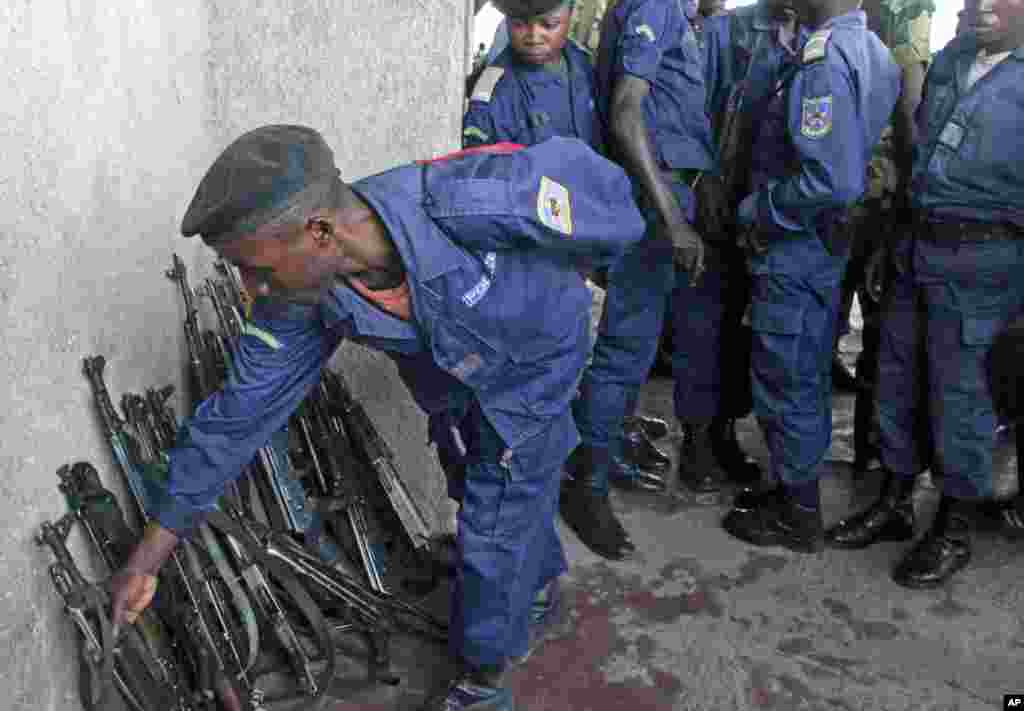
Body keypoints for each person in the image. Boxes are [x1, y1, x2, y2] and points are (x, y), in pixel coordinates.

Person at [105, 125, 647, 710]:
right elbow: (235, 419)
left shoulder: (467, 200)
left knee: (494, 525)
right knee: (476, 481)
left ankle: (484, 680)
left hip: (535, 370)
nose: (250, 287)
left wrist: (594, 273)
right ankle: (535, 589)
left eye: (256, 268)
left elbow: (605, 201)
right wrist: (147, 561)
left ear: (318, 231)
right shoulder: (300, 300)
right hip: (455, 379)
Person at [834, 0, 1024, 588]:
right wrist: (888, 244)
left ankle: (954, 525)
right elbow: (913, 157)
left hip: (986, 257)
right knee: (895, 378)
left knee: (960, 396)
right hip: (916, 245)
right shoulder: (949, 61)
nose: (981, 5)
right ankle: (894, 502)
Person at [463, 0, 671, 494]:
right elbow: (486, 188)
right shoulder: (493, 92)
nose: (533, 36)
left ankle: (598, 449)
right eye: (520, 24)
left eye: (547, 24)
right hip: (538, 259)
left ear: (569, 17)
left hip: (592, 246)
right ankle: (548, 477)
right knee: (545, 373)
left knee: (601, 358)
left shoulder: (581, 62)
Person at [719, 0, 900, 553]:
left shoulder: (824, 58)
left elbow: (831, 180)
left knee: (786, 377)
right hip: (823, 246)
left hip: (795, 247)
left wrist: (760, 208)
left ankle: (797, 514)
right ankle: (789, 490)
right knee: (806, 369)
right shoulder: (873, 51)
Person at [562, 0, 718, 560]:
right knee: (624, 352)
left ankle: (600, 458)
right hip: (655, 198)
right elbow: (628, 114)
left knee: (633, 347)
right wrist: (673, 219)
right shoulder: (656, 4)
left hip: (667, 189)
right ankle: (587, 488)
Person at [699, 0, 807, 488]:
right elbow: (698, 109)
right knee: (709, 323)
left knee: (755, 334)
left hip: (783, 214)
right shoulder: (731, 30)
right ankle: (702, 437)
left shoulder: (821, 33)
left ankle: (731, 430)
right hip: (727, 203)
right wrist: (706, 186)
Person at [829, 0, 935, 473]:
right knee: (859, 317)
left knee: (875, 324)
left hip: (874, 198)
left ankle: (871, 450)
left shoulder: (906, 31)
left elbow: (910, 121)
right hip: (863, 195)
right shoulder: (878, 37)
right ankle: (868, 451)